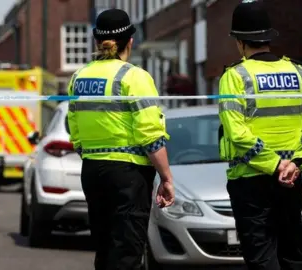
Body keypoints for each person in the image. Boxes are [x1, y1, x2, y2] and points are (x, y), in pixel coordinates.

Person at [218, 1, 302, 270]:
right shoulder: (300, 74)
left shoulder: (235, 77)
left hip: (250, 180)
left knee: (261, 257)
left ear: (240, 42)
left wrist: (274, 165)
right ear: (268, 38)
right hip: (291, 180)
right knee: (292, 253)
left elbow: (237, 133)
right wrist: (294, 164)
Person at [67, 9, 175, 270]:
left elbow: (75, 129)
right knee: (126, 252)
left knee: (104, 249)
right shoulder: (135, 77)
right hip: (127, 174)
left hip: (92, 169)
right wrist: (167, 178)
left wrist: (93, 153)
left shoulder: (79, 77)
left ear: (97, 42)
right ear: (130, 41)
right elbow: (150, 134)